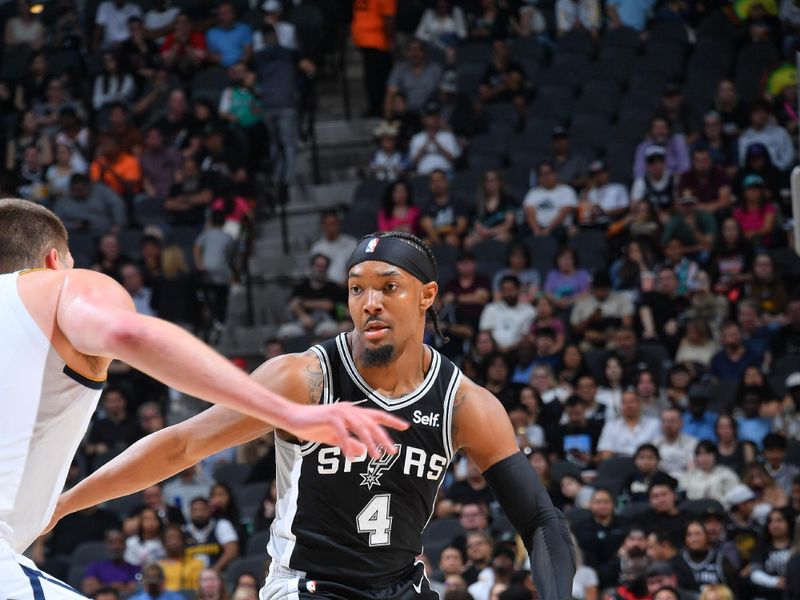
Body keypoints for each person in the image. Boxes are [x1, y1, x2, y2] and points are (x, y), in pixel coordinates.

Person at [50, 231, 576, 600]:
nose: (369, 302)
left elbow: (541, 521)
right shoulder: (305, 378)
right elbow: (183, 445)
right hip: (308, 586)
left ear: (427, 296)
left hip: (402, 586)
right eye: (356, 288)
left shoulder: (465, 404)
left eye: (388, 287)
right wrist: (63, 505)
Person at [0, 199, 405, 600]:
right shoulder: (60, 286)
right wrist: (289, 412)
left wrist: (61, 504)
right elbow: (129, 334)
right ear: (55, 260)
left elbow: (181, 445)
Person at [351, 0, 396, 118]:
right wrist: (391, 41)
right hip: (376, 39)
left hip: (361, 36)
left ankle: (375, 107)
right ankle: (379, 108)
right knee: (381, 77)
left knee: (371, 75)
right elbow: (388, 19)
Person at [478, 275, 536, 352]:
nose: (507, 293)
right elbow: (485, 332)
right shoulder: (491, 308)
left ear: (519, 289)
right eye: (504, 290)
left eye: (511, 290)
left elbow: (525, 335)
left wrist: (511, 348)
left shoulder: (529, 310)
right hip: (493, 351)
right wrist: (498, 347)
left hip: (518, 350)